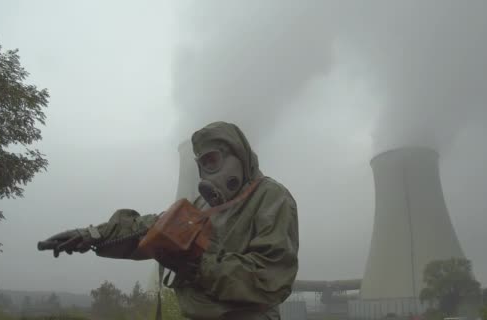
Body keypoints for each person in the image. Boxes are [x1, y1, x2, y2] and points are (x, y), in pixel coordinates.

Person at [38, 121, 299, 319]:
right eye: (203, 164)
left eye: (213, 160)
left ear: (238, 155)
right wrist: (95, 235)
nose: (209, 172)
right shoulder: (203, 205)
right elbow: (152, 228)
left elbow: (269, 278)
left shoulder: (271, 198)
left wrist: (197, 263)